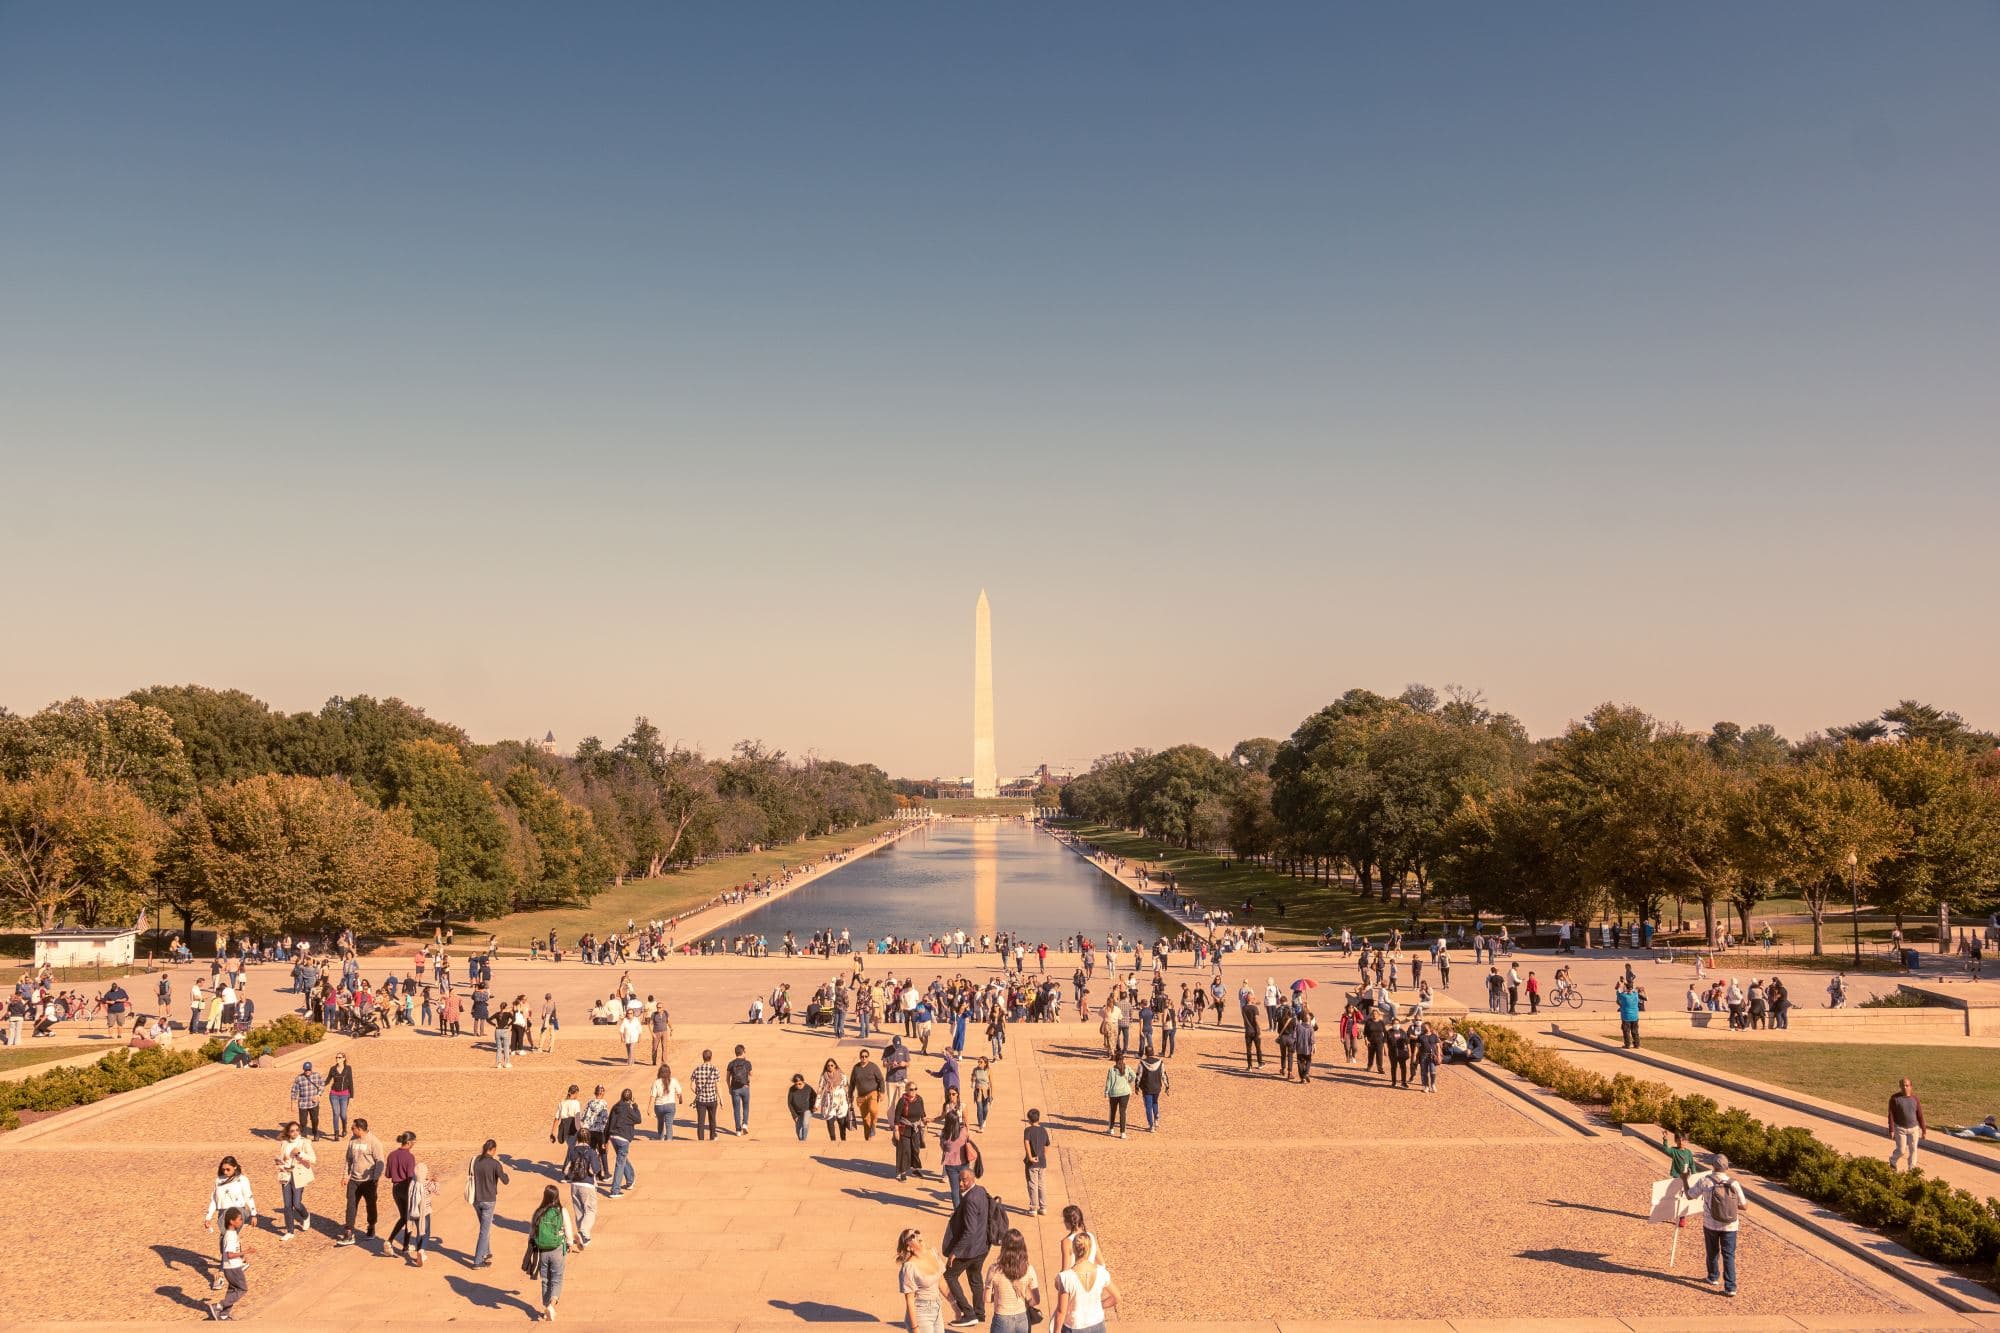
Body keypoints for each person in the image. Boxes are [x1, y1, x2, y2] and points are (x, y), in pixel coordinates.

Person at [1688, 1154, 1747, 1298]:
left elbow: (1690, 1195)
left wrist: (1684, 1179)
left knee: (1712, 1251)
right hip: (1730, 1225)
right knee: (1729, 1255)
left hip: (1710, 1223)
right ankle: (1730, 1287)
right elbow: (1744, 1206)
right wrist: (1729, 1206)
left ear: (1713, 1166)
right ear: (1726, 1167)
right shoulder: (1734, 1183)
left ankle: (1713, 1277)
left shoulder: (1705, 1181)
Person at [941, 1166, 992, 1328]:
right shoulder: (981, 1191)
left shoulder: (970, 1200)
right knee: (975, 1278)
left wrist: (955, 1252)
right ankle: (980, 1313)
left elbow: (969, 1230)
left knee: (949, 1275)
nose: (961, 1183)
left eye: (964, 1180)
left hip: (970, 1250)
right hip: (982, 1247)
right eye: (959, 1180)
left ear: (972, 1179)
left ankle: (968, 1313)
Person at [203, 1156, 257, 1290]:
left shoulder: (242, 1180)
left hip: (237, 1212)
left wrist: (254, 1213)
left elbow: (248, 1196)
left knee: (225, 1239)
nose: (226, 1172)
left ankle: (220, 1275)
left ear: (235, 1167)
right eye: (223, 1170)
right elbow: (214, 1200)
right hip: (223, 1214)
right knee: (227, 1239)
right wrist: (208, 1217)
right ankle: (241, 1260)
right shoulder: (218, 1180)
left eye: (228, 1169)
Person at [529, 1183, 580, 1323]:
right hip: (558, 1249)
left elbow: (532, 1232)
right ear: (557, 1196)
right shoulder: (561, 1210)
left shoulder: (538, 1211)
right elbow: (568, 1229)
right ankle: (551, 1306)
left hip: (542, 1250)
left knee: (545, 1279)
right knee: (557, 1279)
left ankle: (546, 1307)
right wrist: (570, 1243)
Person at [1052, 1233, 1118, 1333]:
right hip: (1097, 1324)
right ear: (1090, 1249)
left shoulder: (1066, 1277)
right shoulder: (1101, 1272)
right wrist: (1097, 1306)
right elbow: (1116, 1297)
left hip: (1074, 1326)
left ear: (1073, 1249)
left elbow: (1061, 1312)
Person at [334, 1119, 383, 1248]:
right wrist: (345, 1176)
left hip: (368, 1182)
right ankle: (349, 1232)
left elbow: (380, 1161)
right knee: (351, 1205)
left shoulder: (374, 1142)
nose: (352, 1130)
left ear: (360, 1129)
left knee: (370, 1206)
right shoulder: (352, 1140)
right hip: (354, 1181)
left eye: (353, 1128)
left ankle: (371, 1226)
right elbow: (348, 1159)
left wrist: (375, 1178)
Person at [984, 1227, 1041, 1333]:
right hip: (1022, 1318)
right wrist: (1026, 1301)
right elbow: (1036, 1300)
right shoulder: (1029, 1269)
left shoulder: (994, 1270)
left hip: (1001, 1319)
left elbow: (987, 1298)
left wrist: (998, 1296)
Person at [897, 1226, 949, 1333]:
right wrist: (915, 1328)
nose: (916, 1235)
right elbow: (909, 1300)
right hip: (921, 1312)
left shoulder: (933, 1253)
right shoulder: (909, 1267)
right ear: (908, 1247)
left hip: (937, 1308)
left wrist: (954, 1304)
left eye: (917, 1232)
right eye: (912, 1236)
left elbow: (941, 1281)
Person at [469, 1138, 509, 1267]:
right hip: (489, 1200)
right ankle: (478, 1261)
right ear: (492, 1150)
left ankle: (486, 1251)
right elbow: (505, 1180)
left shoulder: (475, 1161)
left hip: (476, 1198)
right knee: (484, 1231)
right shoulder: (495, 1164)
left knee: (483, 1227)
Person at [206, 1206, 250, 1321]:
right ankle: (219, 1306)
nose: (241, 1221)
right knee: (242, 1289)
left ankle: (223, 1314)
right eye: (239, 1219)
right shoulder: (230, 1235)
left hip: (230, 1267)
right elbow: (229, 1254)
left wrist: (242, 1256)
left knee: (232, 1290)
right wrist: (245, 1252)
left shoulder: (231, 1234)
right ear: (231, 1221)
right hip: (233, 1268)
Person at [274, 1121, 316, 1241]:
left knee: (296, 1203)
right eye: (292, 1131)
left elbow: (313, 1159)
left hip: (299, 1174)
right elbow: (282, 1157)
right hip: (286, 1174)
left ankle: (305, 1216)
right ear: (288, 1132)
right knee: (287, 1205)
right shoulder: (284, 1143)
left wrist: (300, 1154)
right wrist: (280, 1163)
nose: (295, 1133)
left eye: (297, 1130)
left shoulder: (304, 1142)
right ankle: (290, 1231)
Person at [562, 1128, 604, 1247]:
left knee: (579, 1211)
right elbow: (595, 1169)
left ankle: (585, 1238)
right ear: (588, 1138)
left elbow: (566, 1168)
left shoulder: (572, 1150)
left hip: (574, 1184)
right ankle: (583, 1233)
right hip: (587, 1184)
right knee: (590, 1210)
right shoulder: (591, 1152)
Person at [386, 1131, 419, 1257]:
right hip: (406, 1189)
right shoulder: (410, 1157)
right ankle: (395, 1242)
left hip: (395, 1189)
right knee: (408, 1218)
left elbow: (388, 1174)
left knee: (404, 1216)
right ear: (409, 1142)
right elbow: (411, 1177)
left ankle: (402, 1245)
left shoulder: (392, 1155)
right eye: (414, 1142)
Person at [607, 1088, 642, 1195]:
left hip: (613, 1136)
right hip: (623, 1137)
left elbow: (609, 1122)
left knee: (622, 1158)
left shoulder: (615, 1107)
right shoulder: (628, 1109)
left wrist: (606, 1139)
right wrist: (635, 1106)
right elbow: (638, 1119)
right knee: (620, 1163)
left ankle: (630, 1180)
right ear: (630, 1098)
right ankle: (615, 1190)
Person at [894, 1079, 930, 1181]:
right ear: (906, 1090)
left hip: (916, 1129)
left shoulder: (919, 1099)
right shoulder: (902, 1101)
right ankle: (902, 1172)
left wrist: (925, 1121)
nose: (913, 1091)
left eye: (915, 1089)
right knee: (905, 1150)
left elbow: (922, 1112)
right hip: (904, 1129)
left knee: (915, 1150)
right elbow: (897, 1116)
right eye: (911, 1089)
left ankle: (914, 1169)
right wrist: (896, 1130)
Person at [1889, 1077, 1927, 1171]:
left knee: (1913, 1150)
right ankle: (1892, 1161)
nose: (1905, 1087)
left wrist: (1924, 1130)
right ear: (1900, 1086)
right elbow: (1891, 1115)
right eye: (1902, 1085)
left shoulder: (1915, 1099)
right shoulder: (1895, 1098)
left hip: (1914, 1129)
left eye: (1907, 1085)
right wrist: (1891, 1130)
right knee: (1901, 1150)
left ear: (1911, 1086)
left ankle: (1911, 1170)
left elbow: (1920, 1115)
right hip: (1900, 1129)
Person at [850, 1048, 886, 1140]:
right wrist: (850, 1095)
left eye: (866, 1056)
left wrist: (881, 1092)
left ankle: (874, 1124)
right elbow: (852, 1083)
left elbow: (881, 1079)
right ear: (859, 1057)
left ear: (868, 1057)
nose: (864, 1058)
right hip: (861, 1096)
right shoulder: (856, 1068)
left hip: (872, 1093)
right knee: (865, 1119)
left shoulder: (873, 1067)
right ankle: (868, 1138)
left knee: (873, 1110)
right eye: (862, 1057)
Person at [404, 1160, 434, 1266]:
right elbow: (437, 1190)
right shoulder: (427, 1184)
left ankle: (419, 1252)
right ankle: (422, 1250)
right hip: (424, 1212)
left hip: (414, 1211)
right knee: (425, 1232)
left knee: (418, 1231)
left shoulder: (413, 1183)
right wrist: (435, 1181)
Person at [1022, 1109, 1050, 1218]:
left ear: (1029, 1119)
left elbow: (1026, 1143)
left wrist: (1030, 1157)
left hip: (1032, 1163)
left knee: (1032, 1184)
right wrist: (1043, 1156)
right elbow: (1047, 1145)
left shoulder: (1027, 1130)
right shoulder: (1043, 1130)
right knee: (1041, 1184)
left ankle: (1033, 1208)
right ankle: (1043, 1207)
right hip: (1042, 1162)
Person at [290, 1061, 325, 1141]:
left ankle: (315, 1132)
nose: (307, 1071)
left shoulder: (317, 1075)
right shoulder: (299, 1078)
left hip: (314, 1103)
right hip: (303, 1104)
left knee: (315, 1120)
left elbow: (322, 1085)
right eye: (306, 1070)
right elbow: (294, 1091)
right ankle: (304, 1137)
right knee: (302, 1122)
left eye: (309, 1069)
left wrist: (318, 1095)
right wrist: (292, 1103)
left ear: (311, 1069)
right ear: (303, 1069)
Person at [692, 1049, 722, 1141]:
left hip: (701, 1100)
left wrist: (697, 1093)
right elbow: (718, 1086)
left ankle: (701, 1139)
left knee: (701, 1121)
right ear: (711, 1057)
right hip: (712, 1099)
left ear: (703, 1057)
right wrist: (721, 1099)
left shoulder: (697, 1069)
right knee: (712, 1120)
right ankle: (712, 1137)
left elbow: (691, 1086)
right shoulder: (715, 1069)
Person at [1103, 1055, 1133, 1139]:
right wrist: (1128, 1082)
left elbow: (1108, 1082)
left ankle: (1111, 1129)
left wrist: (1106, 1092)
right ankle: (1123, 1133)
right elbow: (1133, 1076)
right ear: (1123, 1060)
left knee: (1113, 1111)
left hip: (1113, 1093)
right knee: (1122, 1112)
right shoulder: (1127, 1068)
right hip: (1125, 1092)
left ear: (1115, 1060)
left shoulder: (1111, 1069)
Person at [650, 1064, 682, 1141]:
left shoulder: (656, 1082)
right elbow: (679, 1092)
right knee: (669, 1124)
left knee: (660, 1122)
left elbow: (652, 1096)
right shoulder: (674, 1081)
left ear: (659, 1072)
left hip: (659, 1106)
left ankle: (661, 1138)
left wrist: (649, 1108)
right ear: (669, 1072)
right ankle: (669, 1139)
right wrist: (680, 1099)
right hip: (670, 1105)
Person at [727, 1043, 754, 1136]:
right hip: (745, 1087)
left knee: (736, 1109)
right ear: (743, 1052)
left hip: (735, 1089)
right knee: (746, 1107)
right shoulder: (747, 1063)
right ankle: (745, 1124)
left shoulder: (731, 1063)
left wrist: (729, 1088)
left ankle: (738, 1130)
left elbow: (727, 1078)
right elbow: (751, 1074)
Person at [326, 1052, 354, 1138]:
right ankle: (336, 1133)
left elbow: (351, 1082)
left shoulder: (348, 1068)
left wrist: (352, 1096)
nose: (337, 1059)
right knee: (336, 1113)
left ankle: (344, 1128)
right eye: (336, 1057)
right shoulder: (333, 1069)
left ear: (343, 1059)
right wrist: (320, 1085)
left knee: (343, 1114)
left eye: (339, 1057)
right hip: (334, 1094)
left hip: (345, 1095)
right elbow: (328, 1080)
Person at [787, 1072, 817, 1142]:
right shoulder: (791, 1089)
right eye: (796, 1084)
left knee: (805, 1124)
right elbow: (789, 1103)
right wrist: (794, 1115)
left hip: (807, 1109)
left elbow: (815, 1097)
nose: (798, 1086)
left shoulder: (808, 1088)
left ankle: (804, 1141)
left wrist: (813, 1106)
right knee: (798, 1129)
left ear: (803, 1082)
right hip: (797, 1112)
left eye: (800, 1084)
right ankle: (801, 1140)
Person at [1616, 981, 1643, 1049]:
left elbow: (1618, 992)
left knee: (1626, 1031)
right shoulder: (1635, 995)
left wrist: (1621, 985)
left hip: (1626, 1016)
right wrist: (1627, 985)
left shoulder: (1623, 996)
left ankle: (1627, 1044)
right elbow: (1634, 990)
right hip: (1635, 1016)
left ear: (1626, 988)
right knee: (1635, 1031)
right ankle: (1637, 1044)